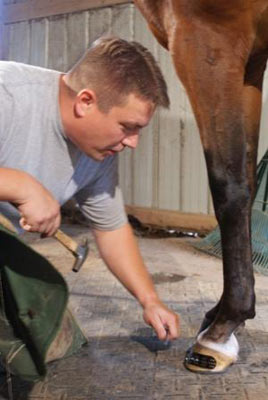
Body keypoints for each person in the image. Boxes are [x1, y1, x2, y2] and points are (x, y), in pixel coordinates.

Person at [0, 36, 179, 342]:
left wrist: (149, 300)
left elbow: (110, 228)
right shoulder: (8, 95)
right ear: (85, 102)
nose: (133, 142)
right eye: (128, 127)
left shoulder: (99, 153)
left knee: (51, 341)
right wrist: (19, 185)